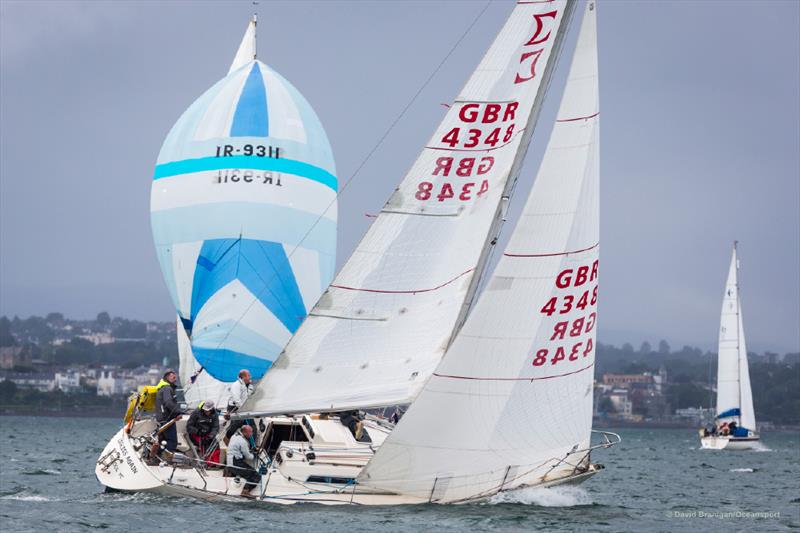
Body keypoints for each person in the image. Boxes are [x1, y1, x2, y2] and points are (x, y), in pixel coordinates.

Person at [226, 425, 261, 498]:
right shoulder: (242, 441)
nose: (251, 434)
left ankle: (229, 472)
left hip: (230, 462)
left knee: (247, 470)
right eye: (250, 432)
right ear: (244, 432)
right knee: (255, 474)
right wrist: (255, 455)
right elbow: (249, 457)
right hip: (235, 463)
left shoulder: (234, 436)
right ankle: (245, 491)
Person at [155, 369, 183, 454]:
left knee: (162, 441)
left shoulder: (163, 388)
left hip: (161, 418)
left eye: (176, 377)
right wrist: (178, 412)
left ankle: (157, 458)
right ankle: (167, 459)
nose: (175, 379)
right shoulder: (167, 388)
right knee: (172, 441)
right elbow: (168, 403)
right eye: (173, 377)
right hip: (167, 419)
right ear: (167, 377)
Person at [186, 401, 220, 466]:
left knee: (215, 444)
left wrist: (211, 436)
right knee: (204, 444)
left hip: (208, 434)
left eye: (208, 410)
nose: (206, 412)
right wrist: (197, 431)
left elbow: (215, 427)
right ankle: (206, 463)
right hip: (196, 434)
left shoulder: (215, 415)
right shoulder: (196, 413)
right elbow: (189, 426)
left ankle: (214, 463)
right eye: (205, 410)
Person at [225, 369, 254, 441]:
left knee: (252, 426)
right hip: (235, 407)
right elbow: (236, 399)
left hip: (244, 408)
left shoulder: (248, 385)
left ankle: (251, 445)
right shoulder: (236, 385)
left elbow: (249, 397)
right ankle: (227, 437)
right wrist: (243, 408)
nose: (250, 377)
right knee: (237, 423)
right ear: (243, 377)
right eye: (248, 375)